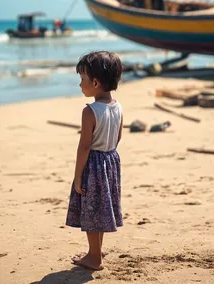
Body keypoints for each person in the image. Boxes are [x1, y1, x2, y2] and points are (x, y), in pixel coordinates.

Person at [66, 51, 124, 271]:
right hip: (110, 161)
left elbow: (84, 145)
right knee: (100, 210)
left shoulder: (90, 111)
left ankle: (94, 258)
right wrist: (108, 154)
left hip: (94, 164)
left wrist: (78, 175)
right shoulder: (118, 106)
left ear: (96, 82)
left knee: (91, 213)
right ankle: (95, 252)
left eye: (82, 79)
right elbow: (118, 136)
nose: (80, 85)